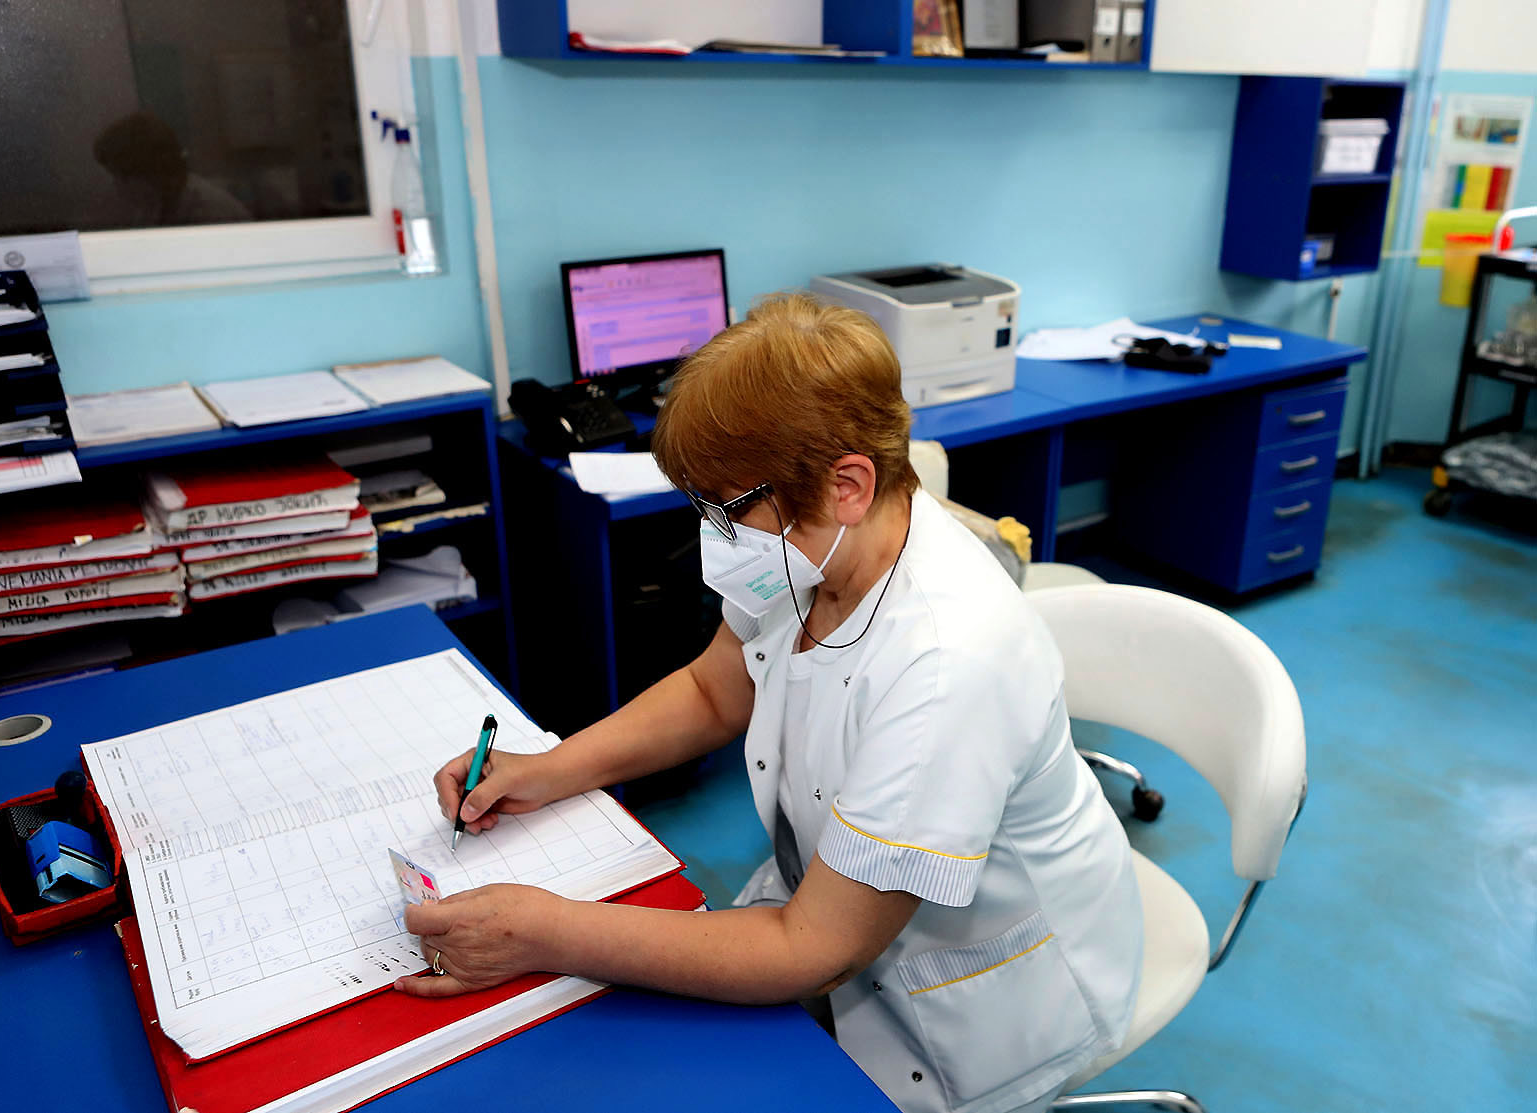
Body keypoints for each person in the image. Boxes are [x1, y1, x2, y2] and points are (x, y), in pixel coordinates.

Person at [403, 293, 1144, 1113]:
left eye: (726, 509)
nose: (713, 535)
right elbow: (712, 688)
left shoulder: (946, 663)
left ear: (847, 484)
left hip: (986, 994)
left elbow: (811, 950)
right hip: (830, 908)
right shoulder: (814, 549)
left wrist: (543, 931)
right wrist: (546, 769)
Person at [93, 112, 251, 227]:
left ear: (149, 172)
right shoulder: (154, 205)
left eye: (122, 177)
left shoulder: (211, 212)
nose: (117, 186)